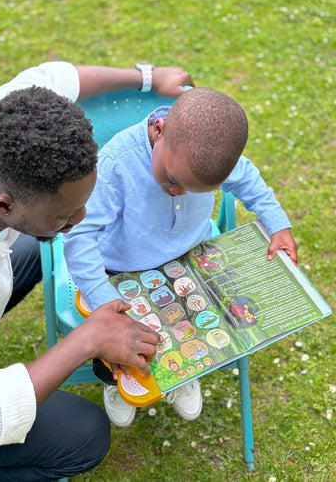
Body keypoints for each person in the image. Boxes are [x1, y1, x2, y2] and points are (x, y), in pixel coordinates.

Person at [0, 61, 193, 482]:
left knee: (32, 242)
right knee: (83, 435)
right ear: (4, 206)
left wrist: (148, 77)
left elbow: (55, 77)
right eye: (66, 215)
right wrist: (88, 339)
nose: (81, 220)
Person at [63, 86, 298, 428]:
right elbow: (82, 233)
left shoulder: (207, 153)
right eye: (172, 180)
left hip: (193, 258)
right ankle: (113, 381)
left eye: (191, 189)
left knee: (195, 319)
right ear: (158, 132)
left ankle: (185, 371)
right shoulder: (118, 163)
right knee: (118, 337)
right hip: (122, 270)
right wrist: (103, 302)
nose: (177, 192)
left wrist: (277, 224)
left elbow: (247, 179)